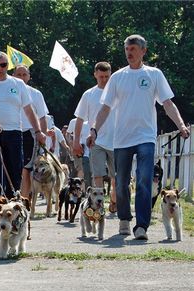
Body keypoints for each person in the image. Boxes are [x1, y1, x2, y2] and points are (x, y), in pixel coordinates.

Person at [89, 34, 190, 240]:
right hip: (122, 139)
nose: (129, 52)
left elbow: (167, 103)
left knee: (145, 180)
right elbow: (105, 108)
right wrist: (94, 130)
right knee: (122, 182)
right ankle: (125, 219)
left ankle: (141, 226)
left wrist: (180, 124)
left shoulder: (154, 74)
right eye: (127, 49)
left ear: (143, 51)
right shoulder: (117, 77)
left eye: (133, 49)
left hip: (146, 137)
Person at [0, 51, 46, 202]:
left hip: (14, 132)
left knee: (15, 169)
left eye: (3, 65)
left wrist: (38, 131)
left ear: (7, 66)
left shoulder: (18, 84)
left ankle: (13, 202)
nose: (0, 68)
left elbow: (29, 110)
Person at [73, 62, 117, 212]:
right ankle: (98, 206)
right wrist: (76, 142)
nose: (104, 80)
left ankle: (113, 200)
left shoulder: (117, 92)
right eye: (101, 77)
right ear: (95, 75)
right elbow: (79, 119)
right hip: (96, 141)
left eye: (107, 77)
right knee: (97, 175)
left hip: (116, 141)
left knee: (115, 177)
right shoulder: (89, 94)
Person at [12, 64, 49, 199]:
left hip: (29, 133)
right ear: (13, 75)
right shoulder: (8, 89)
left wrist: (42, 135)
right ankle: (12, 197)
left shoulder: (35, 93)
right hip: (10, 132)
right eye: (18, 74)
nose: (21, 77)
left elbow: (42, 117)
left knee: (26, 168)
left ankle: (24, 199)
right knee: (12, 167)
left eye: (24, 74)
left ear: (29, 77)